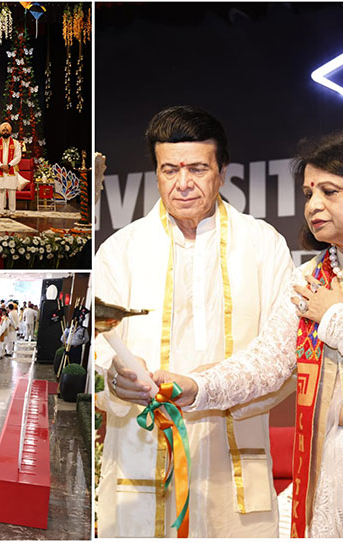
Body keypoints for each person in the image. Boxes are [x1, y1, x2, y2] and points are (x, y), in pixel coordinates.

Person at [153, 133, 343, 537]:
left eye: (330, 191)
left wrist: (334, 318)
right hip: (323, 471)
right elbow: (266, 364)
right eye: (308, 193)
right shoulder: (309, 277)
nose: (313, 206)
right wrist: (197, 386)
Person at [94, 106, 293, 538]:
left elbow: (282, 355)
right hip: (142, 460)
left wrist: (201, 388)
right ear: (157, 174)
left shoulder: (263, 245)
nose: (183, 183)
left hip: (232, 463)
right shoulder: (119, 250)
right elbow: (99, 346)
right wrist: (113, 377)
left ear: (221, 172)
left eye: (198, 168)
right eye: (169, 170)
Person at [0, 123, 24, 216]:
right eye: (3, 130)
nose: (5, 132)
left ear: (10, 131)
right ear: (1, 132)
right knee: (0, 191)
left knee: (12, 191)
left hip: (11, 170)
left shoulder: (16, 143)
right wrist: (1, 165)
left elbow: (18, 156)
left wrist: (9, 165)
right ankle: (1, 211)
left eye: (7, 130)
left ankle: (12, 212)